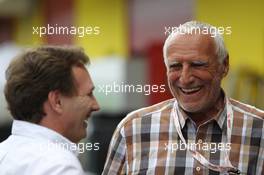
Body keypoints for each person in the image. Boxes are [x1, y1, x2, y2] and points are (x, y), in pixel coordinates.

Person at [102, 21, 264, 175]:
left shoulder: (259, 130)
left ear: (224, 65)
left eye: (198, 64)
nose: (185, 79)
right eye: (175, 66)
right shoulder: (133, 129)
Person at [0, 46, 100, 175]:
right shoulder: (59, 166)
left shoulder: (4, 153)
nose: (96, 105)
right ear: (57, 101)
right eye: (89, 94)